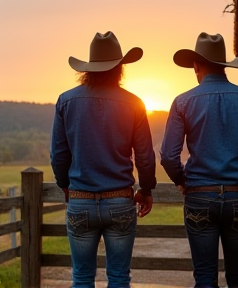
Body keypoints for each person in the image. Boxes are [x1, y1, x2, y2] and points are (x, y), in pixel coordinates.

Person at [160, 32, 238, 288]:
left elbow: (168, 156)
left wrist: (182, 180)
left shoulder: (182, 102)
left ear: (196, 67)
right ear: (223, 66)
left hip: (199, 194)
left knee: (205, 279)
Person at [50, 31, 156, 288]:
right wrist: (146, 189)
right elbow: (144, 155)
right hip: (120, 200)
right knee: (119, 277)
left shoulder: (66, 101)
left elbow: (58, 154)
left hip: (80, 200)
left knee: (82, 277)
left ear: (88, 68)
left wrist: (65, 184)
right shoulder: (135, 103)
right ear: (120, 68)